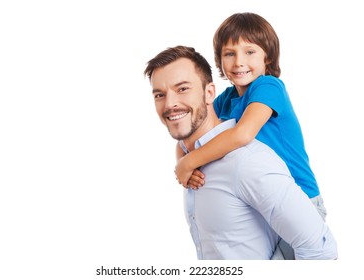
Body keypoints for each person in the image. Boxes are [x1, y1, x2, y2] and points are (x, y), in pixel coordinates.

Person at [144, 45, 337, 260]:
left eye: (182, 89)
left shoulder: (268, 90)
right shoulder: (226, 101)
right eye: (159, 95)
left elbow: (320, 251)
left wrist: (187, 163)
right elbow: (189, 127)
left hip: (308, 196)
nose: (170, 103)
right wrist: (185, 162)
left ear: (209, 93)